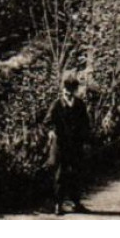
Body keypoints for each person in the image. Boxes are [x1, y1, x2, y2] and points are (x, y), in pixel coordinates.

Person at [46, 73, 91, 215]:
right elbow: (48, 121)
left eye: (72, 90)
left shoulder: (80, 104)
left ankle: (75, 203)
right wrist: (51, 131)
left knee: (76, 173)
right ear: (63, 90)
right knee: (60, 174)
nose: (69, 93)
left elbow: (85, 124)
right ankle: (58, 204)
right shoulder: (57, 104)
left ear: (75, 90)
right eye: (66, 90)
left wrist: (86, 141)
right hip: (61, 144)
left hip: (75, 144)